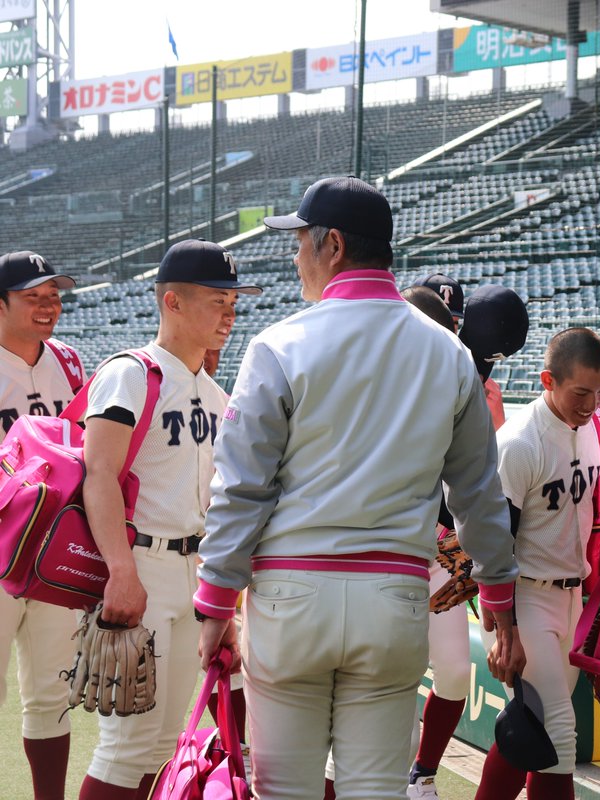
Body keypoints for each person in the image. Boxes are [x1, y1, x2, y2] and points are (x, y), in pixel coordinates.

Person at [192, 176, 523, 800]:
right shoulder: (450, 355)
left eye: (301, 242)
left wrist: (214, 604)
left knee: (282, 792)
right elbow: (479, 495)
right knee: (375, 790)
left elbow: (240, 489)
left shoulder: (278, 344)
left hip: (290, 597)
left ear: (334, 245)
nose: (295, 257)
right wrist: (501, 607)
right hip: (394, 598)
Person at [78, 239, 259, 800]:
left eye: (233, 301)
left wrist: (219, 598)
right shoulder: (130, 374)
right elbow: (98, 475)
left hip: (192, 570)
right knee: (125, 745)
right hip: (141, 566)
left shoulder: (213, 390)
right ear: (172, 302)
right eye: (216, 299)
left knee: (161, 748)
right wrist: (119, 571)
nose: (229, 312)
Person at [475, 327, 600, 800]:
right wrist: (504, 629)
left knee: (531, 732)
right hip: (525, 596)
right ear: (547, 380)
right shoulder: (519, 441)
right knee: (558, 733)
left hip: (571, 596)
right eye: (581, 392)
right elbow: (496, 547)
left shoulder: (595, 426)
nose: (592, 403)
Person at [406, 284, 529, 800]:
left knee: (455, 673)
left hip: (448, 555)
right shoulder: (398, 373)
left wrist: (492, 430)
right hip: (387, 549)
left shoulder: (469, 372)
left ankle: (423, 775)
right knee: (381, 679)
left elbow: (477, 484)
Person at [0, 251, 83, 800]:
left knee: (53, 691)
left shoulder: (71, 362)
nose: (48, 305)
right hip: (1, 548)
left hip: (53, 551)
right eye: (33, 296)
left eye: (53, 295)